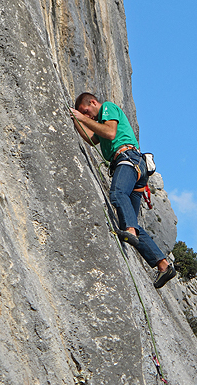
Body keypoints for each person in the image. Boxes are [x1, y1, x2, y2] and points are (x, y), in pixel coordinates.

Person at [71, 92, 176, 289]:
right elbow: (92, 138)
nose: (90, 117)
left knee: (118, 194)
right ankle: (163, 265)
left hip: (128, 159)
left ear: (93, 102)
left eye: (88, 111)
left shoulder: (108, 107)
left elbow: (110, 133)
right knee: (131, 222)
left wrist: (82, 117)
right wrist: (77, 119)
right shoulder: (98, 122)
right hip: (136, 170)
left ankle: (130, 231)